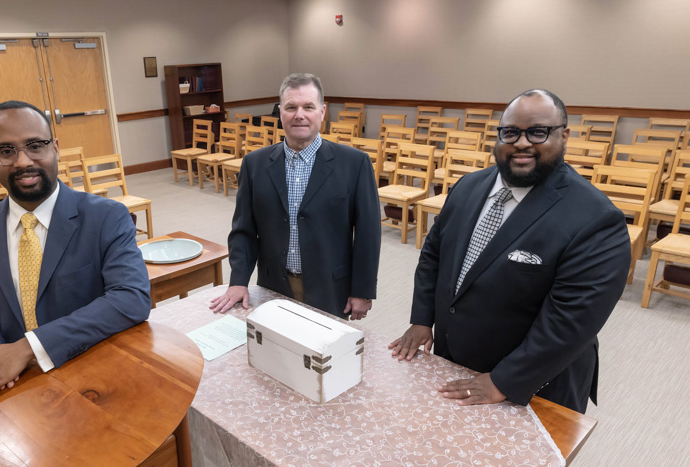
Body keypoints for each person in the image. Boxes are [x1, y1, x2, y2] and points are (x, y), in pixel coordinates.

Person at [0, 100, 152, 467]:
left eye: (34, 145)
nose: (23, 161)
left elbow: (130, 298)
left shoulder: (104, 216)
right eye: (5, 150)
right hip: (23, 396)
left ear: (55, 148)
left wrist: (25, 349)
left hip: (97, 392)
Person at [390, 89, 631, 415]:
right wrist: (422, 318)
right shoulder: (468, 186)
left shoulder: (596, 218)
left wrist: (505, 380)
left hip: (533, 380)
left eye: (537, 132)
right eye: (511, 132)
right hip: (457, 359)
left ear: (565, 136)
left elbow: (572, 322)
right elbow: (434, 254)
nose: (521, 143)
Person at [210, 73, 381, 320]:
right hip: (273, 286)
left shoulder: (355, 164)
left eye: (308, 107)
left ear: (322, 112)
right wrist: (238, 281)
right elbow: (243, 231)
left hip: (332, 288)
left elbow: (368, 234)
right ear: (280, 112)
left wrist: (363, 291)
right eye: (291, 107)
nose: (299, 114)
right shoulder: (254, 164)